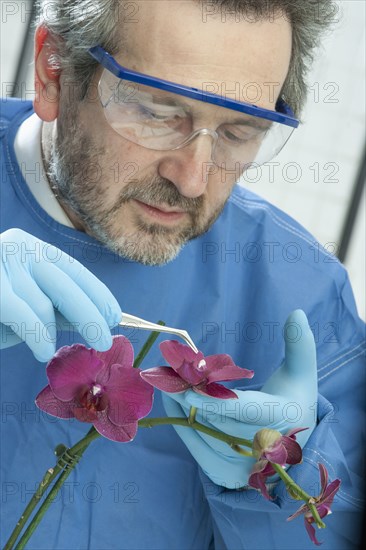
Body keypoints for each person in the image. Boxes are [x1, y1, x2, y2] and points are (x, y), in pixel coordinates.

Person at [1, 1, 365, 548]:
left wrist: (286, 482)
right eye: (158, 111)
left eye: (239, 130)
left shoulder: (302, 298)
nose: (194, 179)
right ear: (54, 71)